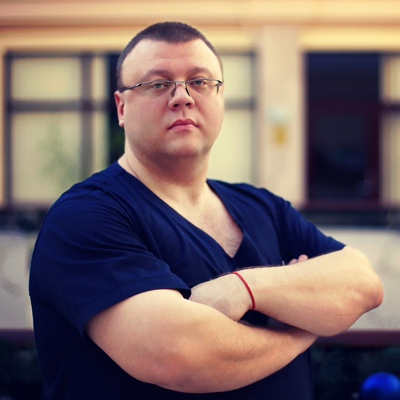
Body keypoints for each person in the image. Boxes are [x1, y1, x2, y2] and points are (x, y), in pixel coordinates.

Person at [29, 21, 383, 400]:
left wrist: (243, 288)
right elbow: (177, 355)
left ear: (220, 98)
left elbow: (363, 284)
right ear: (121, 107)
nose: (182, 97)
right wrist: (300, 329)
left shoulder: (263, 207)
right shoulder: (85, 216)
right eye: (157, 84)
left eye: (199, 82)